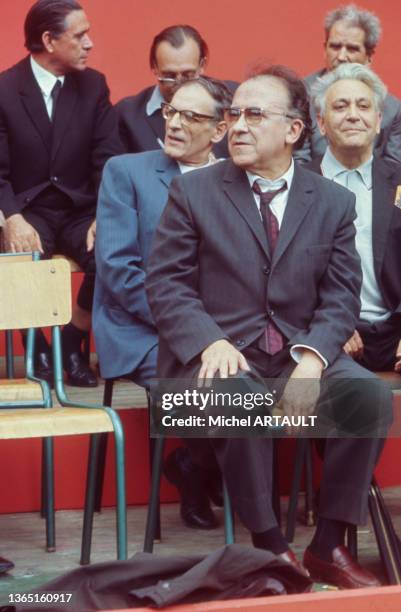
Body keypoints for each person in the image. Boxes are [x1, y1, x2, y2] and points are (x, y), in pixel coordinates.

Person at [146, 65, 393, 588]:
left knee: (367, 396)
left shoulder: (330, 201)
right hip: (204, 369)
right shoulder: (194, 193)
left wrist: (312, 359)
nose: (236, 126)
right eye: (234, 114)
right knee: (240, 396)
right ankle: (270, 549)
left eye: (254, 115)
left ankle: (327, 546)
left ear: (293, 131)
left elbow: (340, 295)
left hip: (295, 357)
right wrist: (208, 339)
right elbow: (166, 285)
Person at [94, 76, 231, 529]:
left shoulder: (236, 179)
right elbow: (118, 270)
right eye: (172, 111)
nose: (174, 124)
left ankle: (196, 466)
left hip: (219, 330)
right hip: (143, 329)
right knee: (213, 389)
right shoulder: (126, 171)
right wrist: (191, 330)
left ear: (218, 131)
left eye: (191, 117)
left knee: (268, 380)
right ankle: (202, 467)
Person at [0, 0, 122, 386]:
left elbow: (109, 160)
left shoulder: (94, 85)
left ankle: (72, 340)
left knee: (115, 249)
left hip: (81, 210)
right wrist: (11, 218)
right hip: (26, 208)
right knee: (20, 257)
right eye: (80, 35)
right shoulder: (3, 90)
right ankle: (35, 347)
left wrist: (105, 216)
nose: (90, 43)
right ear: (49, 40)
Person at [307, 63, 401, 373]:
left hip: (393, 331)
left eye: (363, 106)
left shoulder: (398, 181)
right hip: (322, 332)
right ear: (321, 123)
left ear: (377, 122)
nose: (352, 115)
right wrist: (329, 325)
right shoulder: (297, 185)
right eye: (340, 106)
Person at [295, 4, 401, 164]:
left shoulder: (392, 109)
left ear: (369, 56)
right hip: (313, 184)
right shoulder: (300, 95)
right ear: (324, 49)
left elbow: (393, 168)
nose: (342, 56)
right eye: (335, 47)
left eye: (352, 49)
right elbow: (298, 160)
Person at [115, 24, 236, 157]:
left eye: (188, 75)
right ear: (154, 67)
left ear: (202, 65)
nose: (180, 84)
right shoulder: (128, 114)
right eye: (169, 76)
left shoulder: (233, 100)